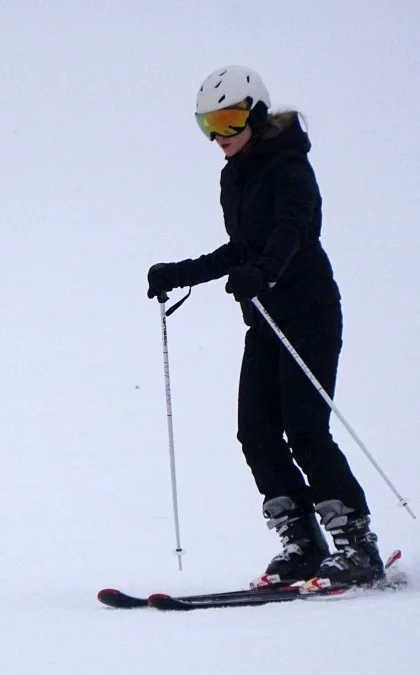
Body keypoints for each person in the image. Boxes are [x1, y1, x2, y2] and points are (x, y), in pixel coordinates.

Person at [145, 66, 384, 585]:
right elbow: (243, 248)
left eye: (229, 121)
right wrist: (181, 274)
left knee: (306, 429)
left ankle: (357, 545)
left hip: (309, 313)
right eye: (209, 125)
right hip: (265, 320)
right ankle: (302, 544)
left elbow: (294, 228)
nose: (220, 136)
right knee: (254, 432)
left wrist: (267, 271)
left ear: (254, 114)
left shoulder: (289, 166)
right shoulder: (234, 176)